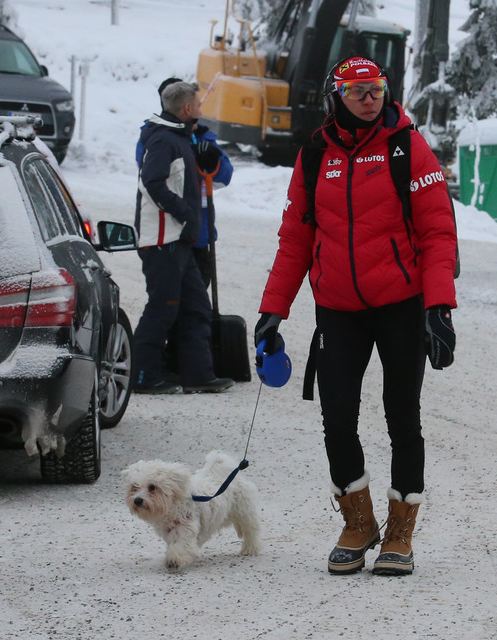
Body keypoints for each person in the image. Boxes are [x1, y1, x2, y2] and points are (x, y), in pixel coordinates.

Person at [254, 56, 457, 576]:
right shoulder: (316, 152)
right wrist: (273, 310)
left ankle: (402, 531)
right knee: (337, 418)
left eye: (377, 89)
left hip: (400, 306)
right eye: (358, 90)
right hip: (338, 310)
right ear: (336, 95)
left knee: (401, 414)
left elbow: (437, 231)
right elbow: (296, 237)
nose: (370, 98)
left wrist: (438, 307)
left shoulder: (405, 146)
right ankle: (358, 521)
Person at [133, 81, 234, 395]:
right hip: (163, 240)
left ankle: (198, 375)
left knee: (195, 307)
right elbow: (151, 180)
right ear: (188, 109)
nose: (202, 111)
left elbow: (221, 173)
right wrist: (184, 211)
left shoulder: (181, 138)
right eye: (198, 106)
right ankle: (142, 376)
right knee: (163, 308)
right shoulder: (163, 138)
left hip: (181, 239)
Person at [136, 77, 234, 288]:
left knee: (195, 302)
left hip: (199, 233)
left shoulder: (204, 137)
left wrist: (209, 161)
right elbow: (151, 177)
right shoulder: (156, 137)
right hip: (170, 233)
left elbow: (224, 176)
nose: (199, 111)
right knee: (170, 303)